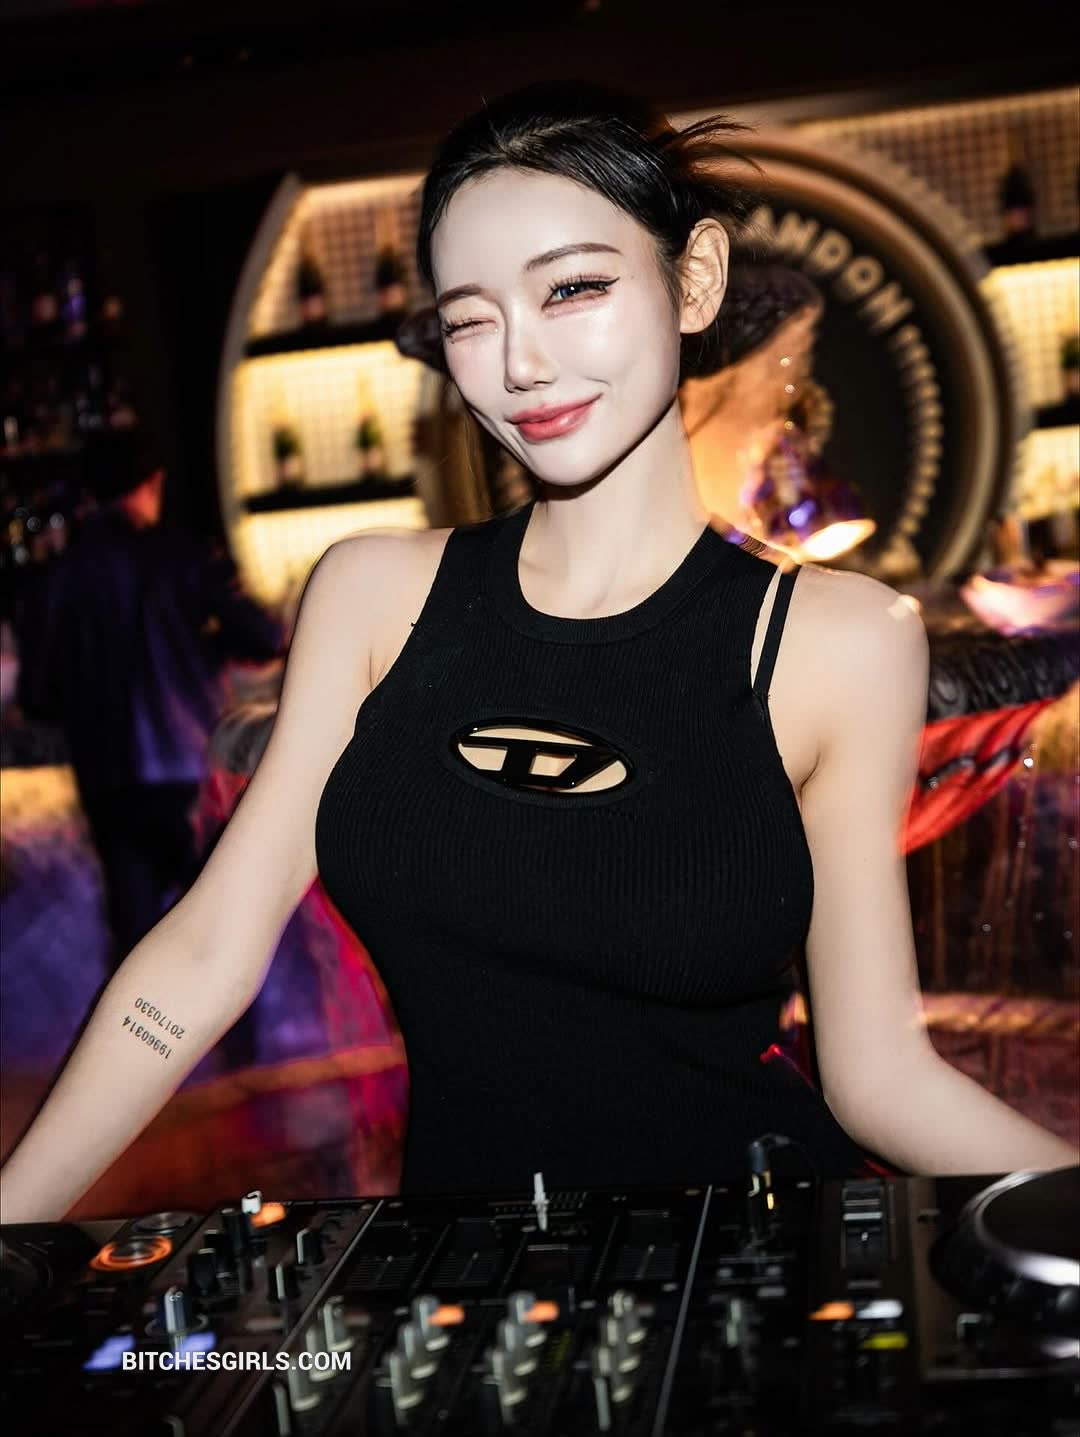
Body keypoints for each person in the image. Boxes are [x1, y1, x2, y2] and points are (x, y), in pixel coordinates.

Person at [2, 82, 1074, 1222]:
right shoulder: (371, 596)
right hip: (459, 1268)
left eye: (573, 288)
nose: (521, 362)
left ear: (695, 279)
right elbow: (206, 952)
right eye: (471, 318)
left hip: (738, 1255)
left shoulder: (842, 640)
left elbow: (880, 1080)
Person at [13, 427, 283, 969]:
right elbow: (266, 636)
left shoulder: (55, 580)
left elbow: (37, 697)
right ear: (154, 482)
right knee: (217, 937)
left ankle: (148, 1026)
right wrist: (208, 646)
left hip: (108, 778)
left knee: (136, 945)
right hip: (191, 768)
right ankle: (233, 1027)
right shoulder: (186, 558)